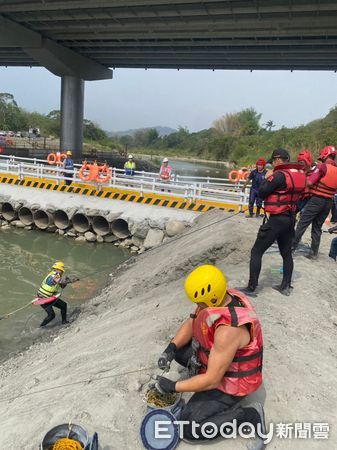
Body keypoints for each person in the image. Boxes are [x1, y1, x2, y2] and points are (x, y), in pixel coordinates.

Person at [155, 265, 265, 443]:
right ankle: (194, 374)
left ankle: (249, 416)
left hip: (233, 381)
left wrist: (173, 386)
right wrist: (171, 348)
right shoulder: (220, 297)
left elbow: (213, 379)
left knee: (189, 427)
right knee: (180, 352)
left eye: (199, 303)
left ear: (211, 297)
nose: (197, 306)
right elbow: (192, 323)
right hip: (219, 359)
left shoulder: (229, 330)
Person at [242, 148, 306, 296]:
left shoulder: (278, 175)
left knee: (256, 251)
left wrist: (267, 177)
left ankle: (252, 288)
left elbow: (262, 192)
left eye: (273, 162)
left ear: (278, 160)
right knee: (286, 254)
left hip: (277, 219)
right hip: (290, 219)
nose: (272, 165)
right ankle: (285, 286)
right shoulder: (300, 175)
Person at [292, 145, 337, 259]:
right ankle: (313, 253)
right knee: (317, 227)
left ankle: (291, 248)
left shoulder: (322, 167)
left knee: (303, 223)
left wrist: (303, 178)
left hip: (317, 199)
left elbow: (310, 183)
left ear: (325, 154)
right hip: (328, 202)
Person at [37, 261, 77, 327]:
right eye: (61, 270)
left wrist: (67, 282)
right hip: (43, 298)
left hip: (49, 297)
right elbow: (60, 281)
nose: (62, 272)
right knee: (51, 315)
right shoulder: (54, 275)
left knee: (64, 305)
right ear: (57, 269)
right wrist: (71, 280)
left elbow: (62, 286)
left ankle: (64, 321)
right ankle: (41, 327)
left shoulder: (54, 275)